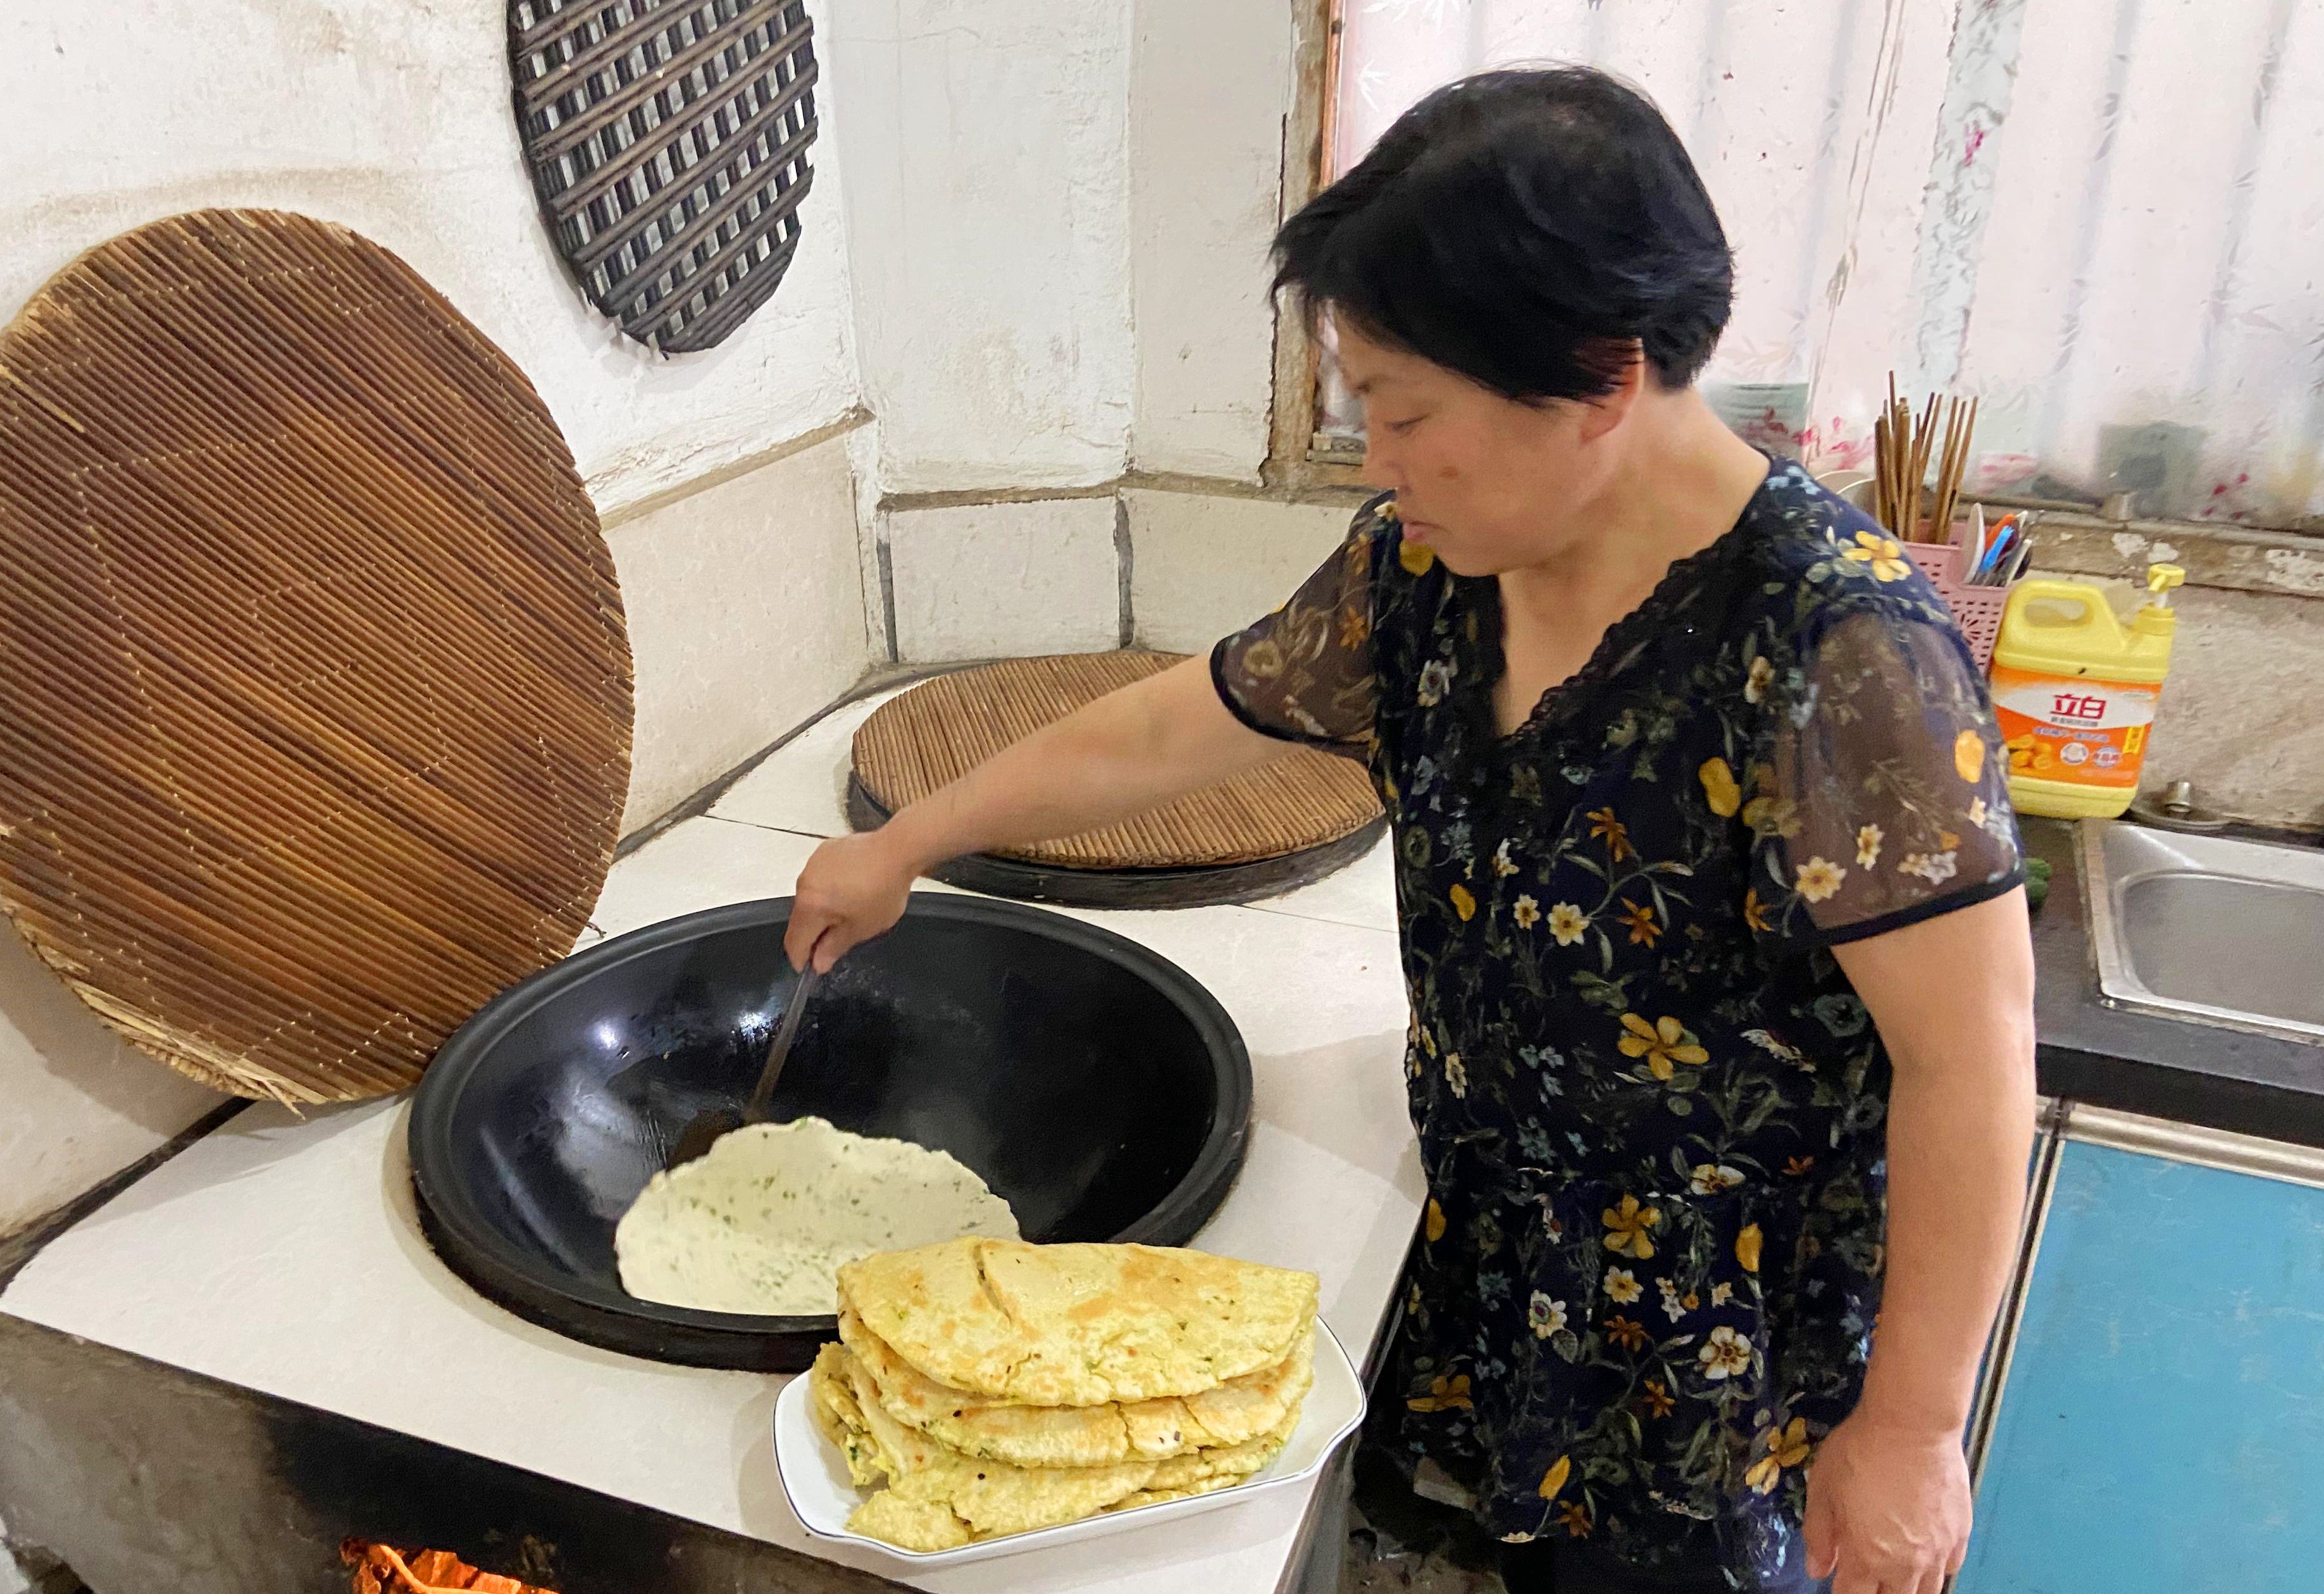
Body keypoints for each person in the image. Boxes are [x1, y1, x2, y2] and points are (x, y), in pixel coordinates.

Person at [783, 66, 2035, 1594]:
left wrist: (1914, 1430)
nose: (1376, 454)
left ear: (1598, 375)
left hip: (1716, 1359)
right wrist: (907, 838)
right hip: (1485, 1251)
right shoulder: (1429, 567)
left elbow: (1970, 1059)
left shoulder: (1842, 652)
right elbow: (1177, 722)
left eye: (1405, 408)